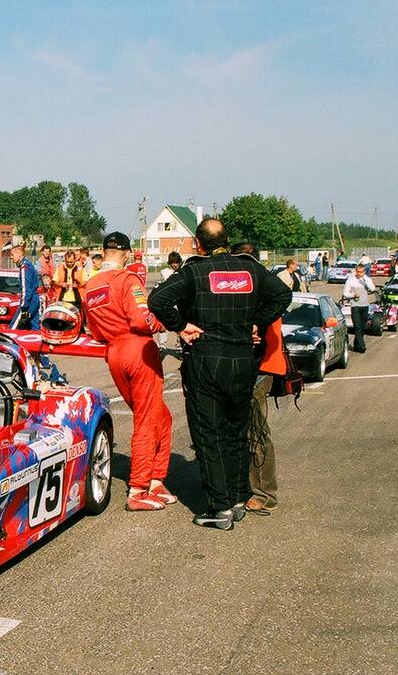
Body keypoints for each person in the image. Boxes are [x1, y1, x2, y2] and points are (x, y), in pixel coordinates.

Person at [149, 217, 291, 530]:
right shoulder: (250, 269)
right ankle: (238, 498)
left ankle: (220, 506)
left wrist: (181, 326)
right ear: (226, 240)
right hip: (242, 361)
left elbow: (157, 300)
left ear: (198, 244)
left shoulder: (195, 270)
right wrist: (257, 322)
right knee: (236, 432)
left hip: (207, 360)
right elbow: (283, 294)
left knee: (209, 433)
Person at [83, 232, 173, 511]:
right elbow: (142, 319)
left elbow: (95, 330)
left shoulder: (91, 285)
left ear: (103, 253)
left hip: (114, 353)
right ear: (125, 254)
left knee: (162, 417)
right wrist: (163, 323)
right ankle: (138, 489)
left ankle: (156, 481)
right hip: (138, 350)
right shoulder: (128, 279)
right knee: (147, 419)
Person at [233, 243, 280, 516]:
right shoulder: (252, 284)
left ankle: (264, 494)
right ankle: (249, 487)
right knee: (246, 432)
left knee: (256, 433)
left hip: (258, 370)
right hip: (248, 368)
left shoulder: (262, 286)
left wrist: (255, 325)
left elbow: (280, 302)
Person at [343, 264, 376, 348]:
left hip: (365, 306)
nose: (359, 273)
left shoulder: (367, 279)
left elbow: (372, 289)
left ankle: (357, 344)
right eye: (358, 271)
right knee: (357, 326)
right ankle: (362, 346)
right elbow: (345, 293)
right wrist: (353, 295)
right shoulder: (350, 281)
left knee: (362, 327)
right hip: (355, 306)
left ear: (364, 272)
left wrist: (365, 279)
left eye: (361, 272)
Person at [9, 244, 41, 329]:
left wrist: (23, 306)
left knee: (14, 328)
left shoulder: (24, 268)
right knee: (34, 327)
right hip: (34, 299)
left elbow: (26, 290)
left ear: (19, 254)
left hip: (29, 302)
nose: (11, 257)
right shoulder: (29, 264)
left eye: (12, 255)